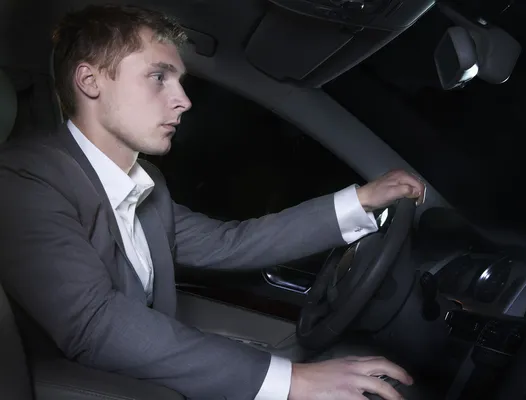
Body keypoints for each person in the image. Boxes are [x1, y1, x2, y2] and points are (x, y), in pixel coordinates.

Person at [0, 4, 426, 400]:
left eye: (180, 81)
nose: (183, 100)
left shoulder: (146, 184)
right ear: (90, 81)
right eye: (159, 77)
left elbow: (230, 243)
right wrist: (292, 381)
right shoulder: (22, 180)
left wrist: (362, 200)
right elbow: (94, 324)